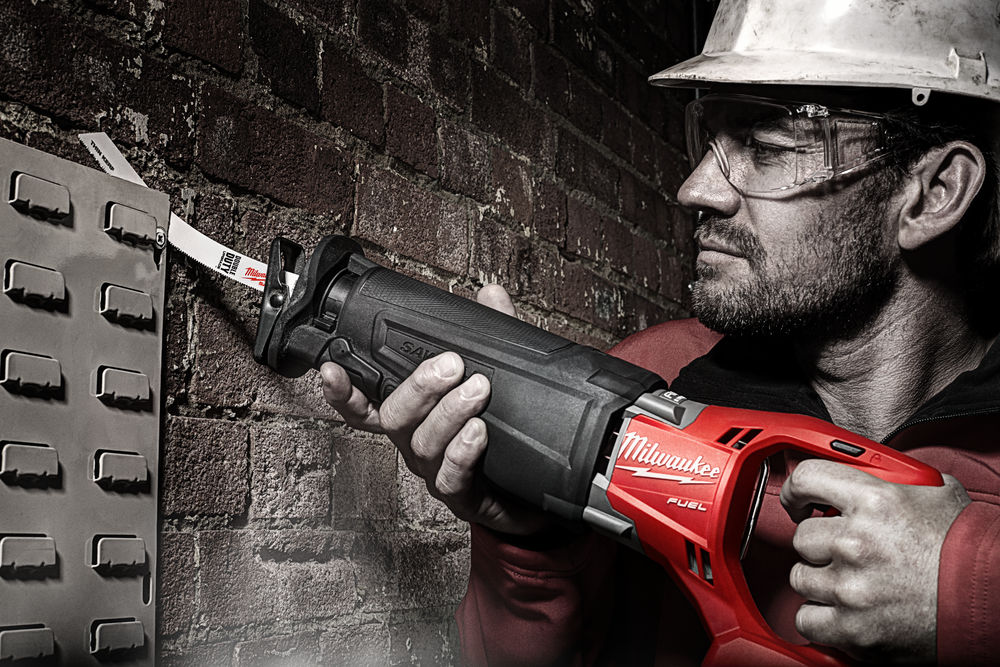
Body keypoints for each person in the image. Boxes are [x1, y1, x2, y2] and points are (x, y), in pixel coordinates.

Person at [320, 0, 1000, 664]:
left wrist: (970, 590)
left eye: (766, 146)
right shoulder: (652, 379)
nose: (696, 189)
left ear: (933, 192)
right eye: (709, 140)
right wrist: (531, 543)